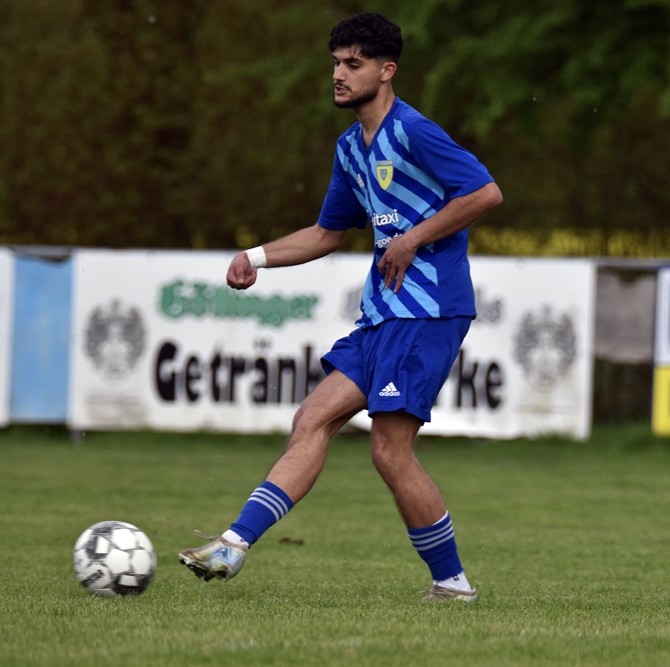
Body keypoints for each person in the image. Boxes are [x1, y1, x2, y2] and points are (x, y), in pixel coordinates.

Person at [178, 12, 502, 603]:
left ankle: (452, 584)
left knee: (389, 451)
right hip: (381, 314)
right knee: (312, 419)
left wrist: (412, 238)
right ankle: (233, 544)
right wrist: (256, 256)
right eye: (335, 63)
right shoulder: (351, 148)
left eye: (354, 64)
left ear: (387, 70)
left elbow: (485, 192)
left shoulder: (414, 132)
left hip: (428, 312)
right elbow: (327, 233)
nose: (339, 74)